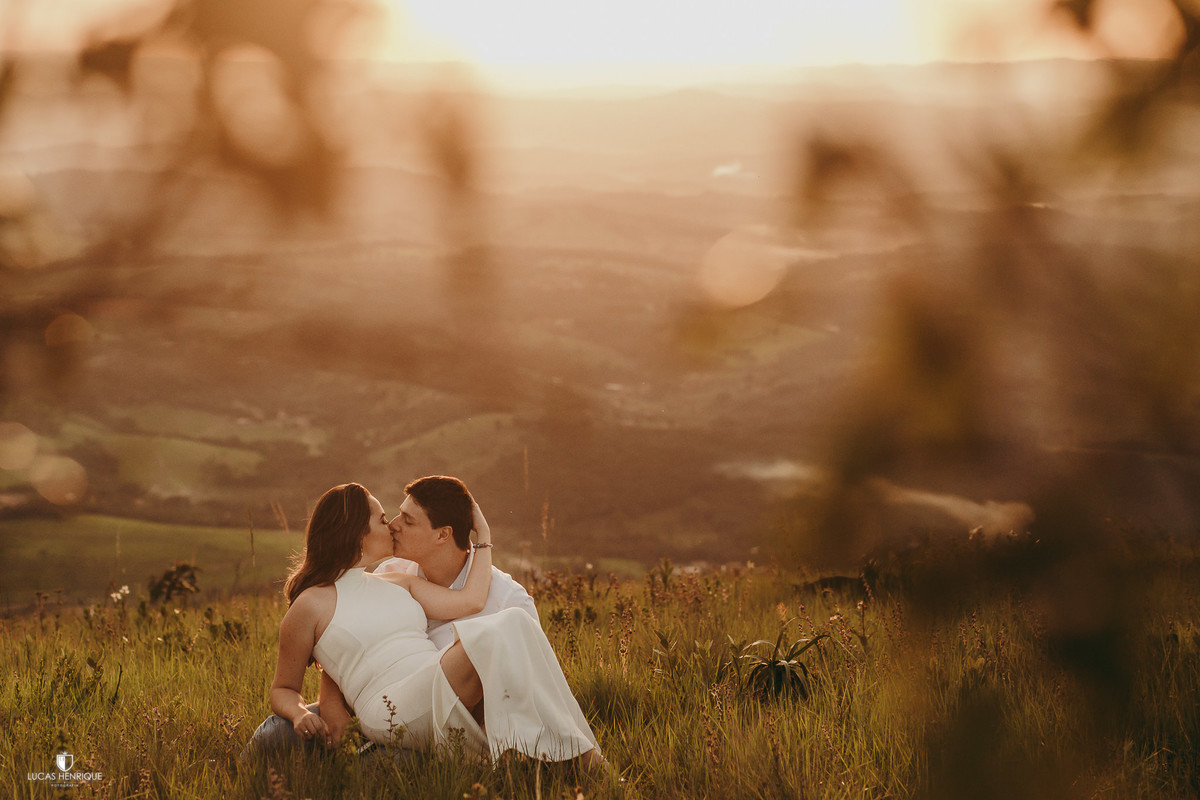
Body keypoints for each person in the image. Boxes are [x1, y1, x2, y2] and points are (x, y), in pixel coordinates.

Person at [262, 482, 600, 764]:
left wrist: (483, 535)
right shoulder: (308, 606)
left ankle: (570, 758)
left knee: (515, 620)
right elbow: (284, 688)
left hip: (436, 681)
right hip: (388, 707)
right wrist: (302, 713)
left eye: (398, 519)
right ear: (357, 535)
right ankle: (585, 764)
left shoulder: (396, 582)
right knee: (505, 627)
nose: (392, 525)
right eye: (383, 519)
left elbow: (471, 600)